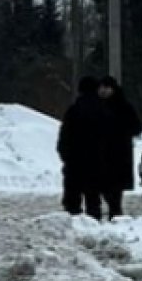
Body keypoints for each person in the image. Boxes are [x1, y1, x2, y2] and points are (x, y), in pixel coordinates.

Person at [57, 75, 106, 220]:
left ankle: (73, 226)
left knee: (72, 200)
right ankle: (94, 226)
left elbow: (64, 136)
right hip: (95, 162)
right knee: (93, 200)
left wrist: (66, 156)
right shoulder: (102, 111)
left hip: (74, 162)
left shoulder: (73, 110)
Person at [98, 75, 142, 219]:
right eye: (101, 88)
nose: (103, 91)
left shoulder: (123, 106)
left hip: (119, 153)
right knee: (102, 186)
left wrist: (119, 132)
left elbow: (136, 126)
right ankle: (113, 212)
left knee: (115, 188)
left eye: (106, 88)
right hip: (100, 153)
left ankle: (116, 214)